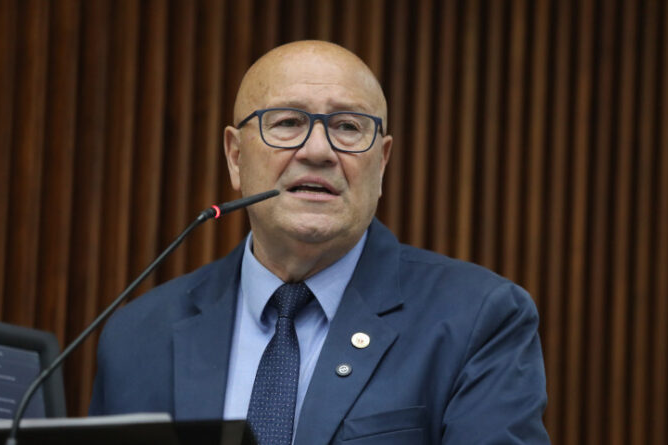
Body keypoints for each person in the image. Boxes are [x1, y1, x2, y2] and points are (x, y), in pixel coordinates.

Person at [90, 40, 550, 444]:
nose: (318, 151)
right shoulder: (138, 337)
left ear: (382, 162)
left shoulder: (476, 320)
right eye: (288, 122)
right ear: (235, 157)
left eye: (348, 127)